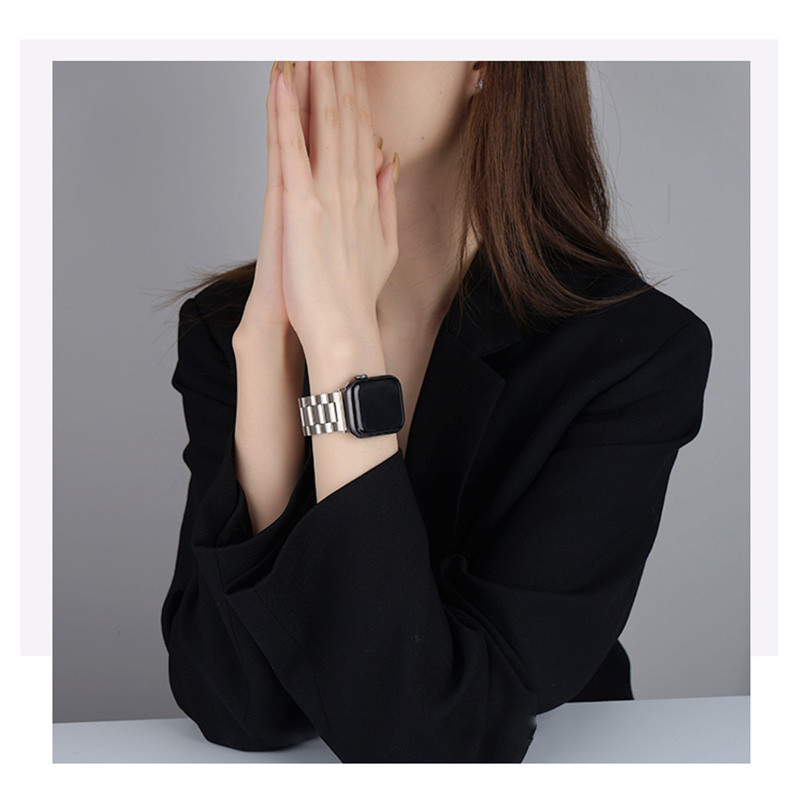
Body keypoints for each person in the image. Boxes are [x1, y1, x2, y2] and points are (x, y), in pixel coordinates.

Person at [160, 60, 713, 763]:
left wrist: (341, 346)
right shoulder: (230, 332)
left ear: (487, 62)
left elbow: (436, 742)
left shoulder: (630, 354)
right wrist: (270, 344)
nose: (322, 60)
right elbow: (238, 707)